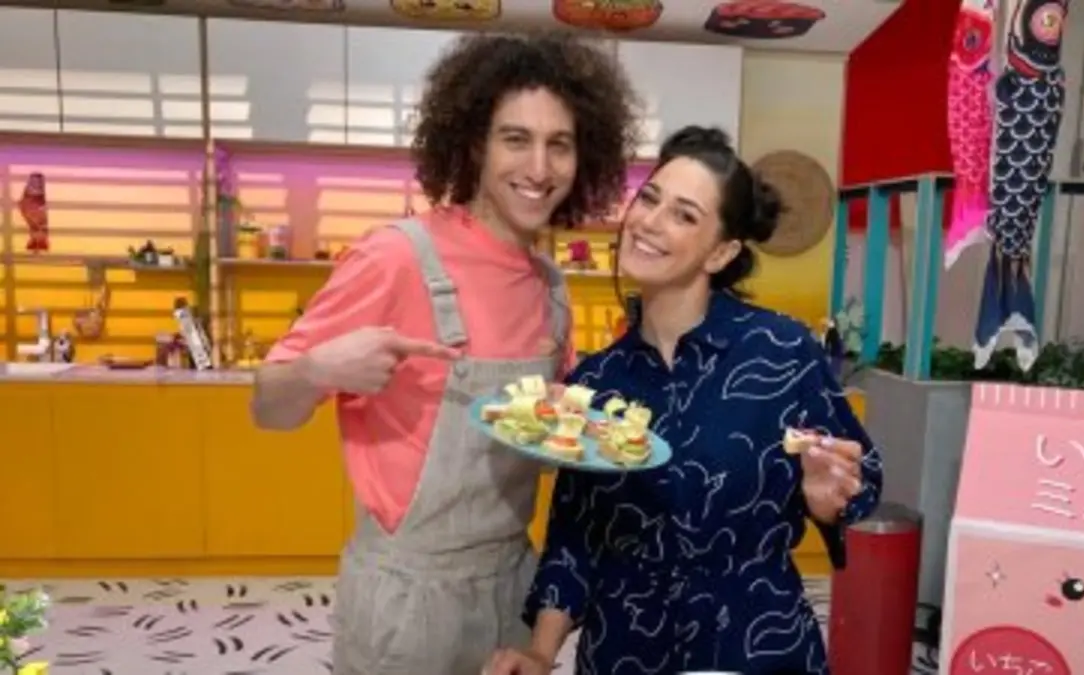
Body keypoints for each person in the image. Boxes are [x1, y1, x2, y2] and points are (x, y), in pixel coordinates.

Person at [250, 32, 638, 674]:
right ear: (475, 143)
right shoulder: (396, 256)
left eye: (559, 144)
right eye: (515, 138)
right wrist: (317, 370)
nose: (539, 168)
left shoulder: (550, 287)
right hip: (407, 599)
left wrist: (602, 427)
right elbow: (269, 408)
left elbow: (543, 449)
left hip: (514, 583)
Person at [489, 127, 884, 675]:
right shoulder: (596, 381)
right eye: (649, 198)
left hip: (753, 645)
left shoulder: (781, 351)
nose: (650, 222)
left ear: (722, 252)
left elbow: (863, 481)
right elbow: (574, 539)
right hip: (624, 653)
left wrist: (826, 500)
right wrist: (540, 651)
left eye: (684, 215)